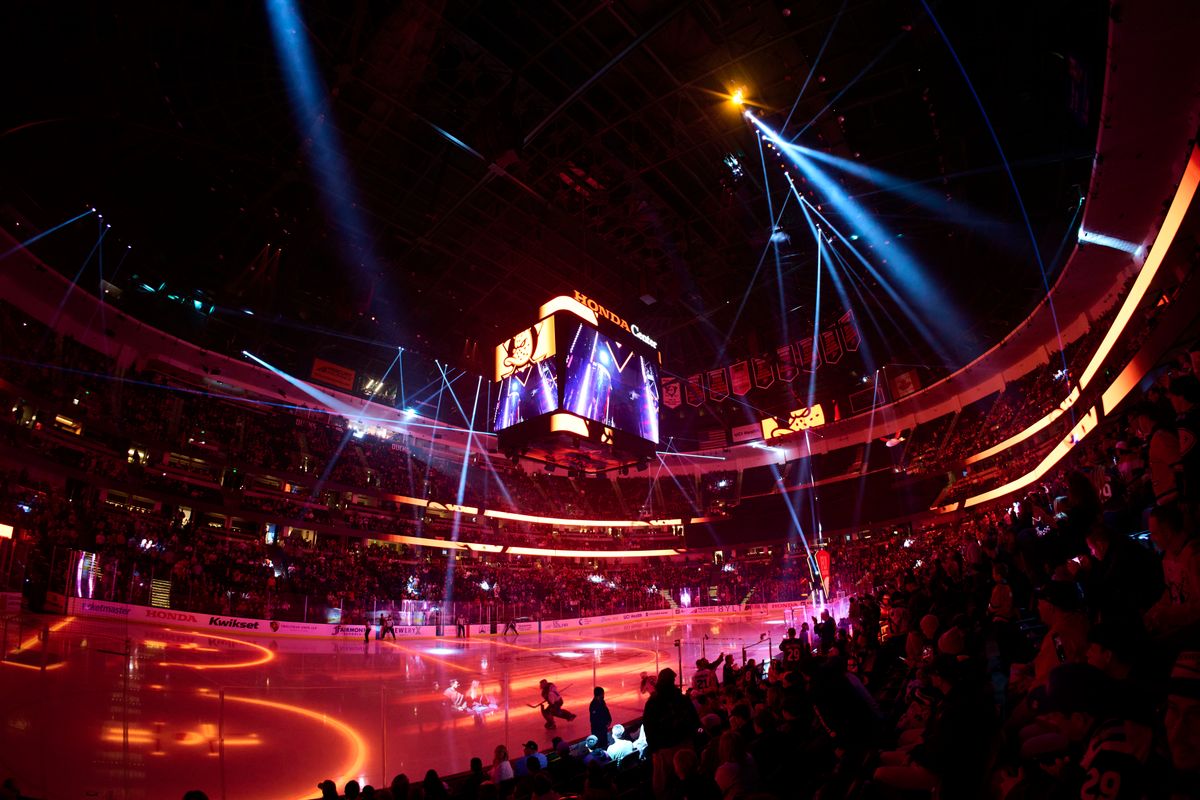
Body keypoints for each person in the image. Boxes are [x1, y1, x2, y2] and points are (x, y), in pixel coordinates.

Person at [641, 667, 700, 799]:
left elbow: (648, 726)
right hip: (683, 744)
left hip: (665, 750)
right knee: (687, 776)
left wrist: (654, 748)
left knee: (664, 786)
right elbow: (694, 719)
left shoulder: (653, 702)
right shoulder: (681, 699)